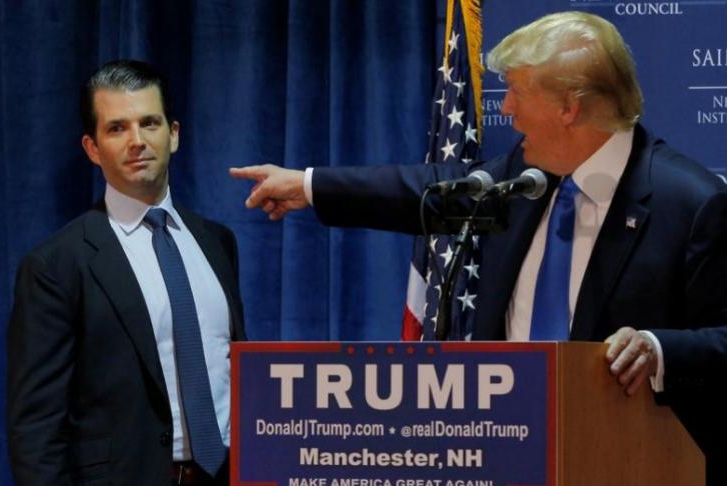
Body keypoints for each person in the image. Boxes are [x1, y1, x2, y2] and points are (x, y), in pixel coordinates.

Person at [229, 11, 727, 484]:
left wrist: (658, 348)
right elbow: (428, 191)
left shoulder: (691, 203)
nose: (505, 108)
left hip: (629, 463)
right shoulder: (527, 175)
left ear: (569, 107)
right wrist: (309, 186)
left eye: (516, 91)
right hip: (510, 456)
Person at [7, 60, 246, 486]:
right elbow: (36, 430)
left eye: (149, 123)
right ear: (92, 148)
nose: (137, 141)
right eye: (117, 128)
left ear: (173, 134)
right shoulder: (56, 265)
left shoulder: (217, 242)